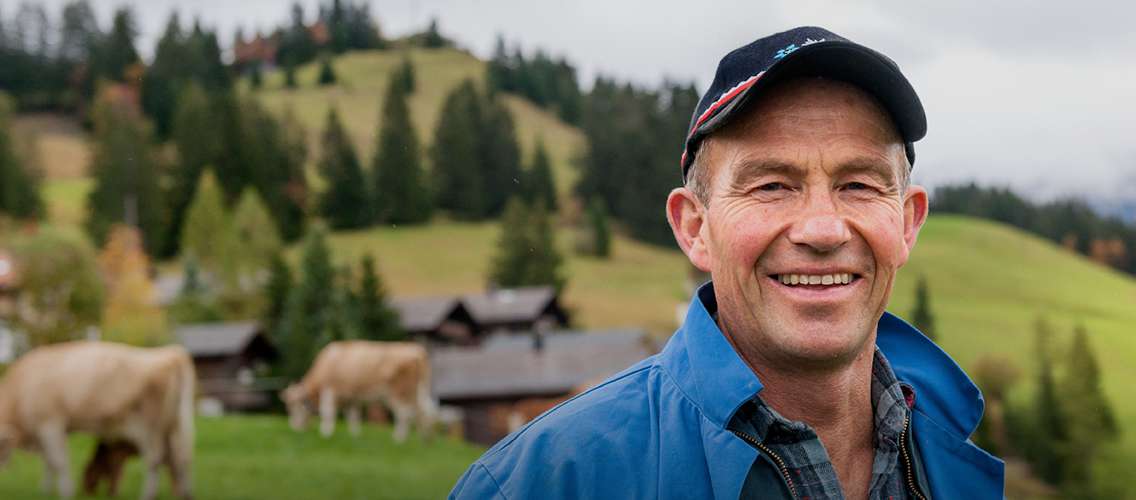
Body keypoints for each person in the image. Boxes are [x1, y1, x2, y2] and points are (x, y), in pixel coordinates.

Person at [450, 26, 1004, 499]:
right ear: (695, 228)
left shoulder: (954, 463)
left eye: (858, 184)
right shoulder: (542, 481)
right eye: (771, 185)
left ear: (907, 223)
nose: (822, 229)